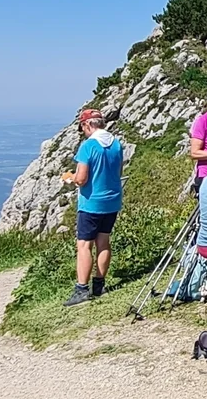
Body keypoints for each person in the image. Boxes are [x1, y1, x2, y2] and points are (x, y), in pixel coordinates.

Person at [63, 109, 124, 307]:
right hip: (112, 200)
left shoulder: (88, 146)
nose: (83, 131)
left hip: (91, 202)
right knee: (103, 242)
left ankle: (82, 289)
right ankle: (99, 285)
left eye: (83, 127)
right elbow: (118, 172)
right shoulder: (116, 143)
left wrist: (70, 177)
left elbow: (81, 179)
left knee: (84, 245)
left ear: (88, 125)